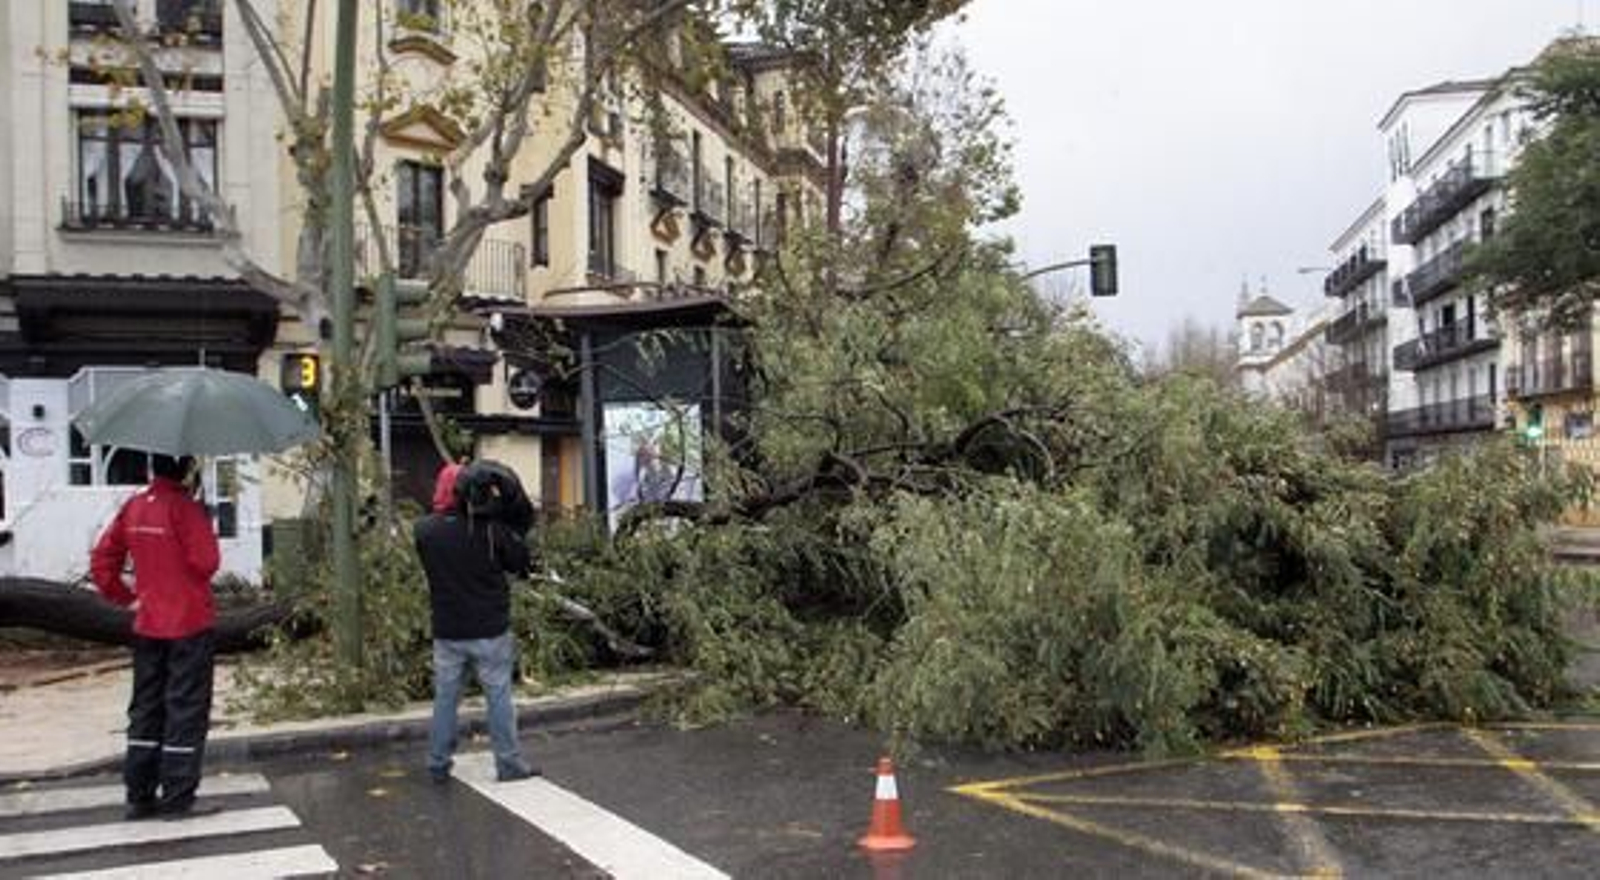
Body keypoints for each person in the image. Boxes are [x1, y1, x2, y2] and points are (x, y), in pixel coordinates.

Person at [89, 453, 221, 821]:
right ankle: (178, 796)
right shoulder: (186, 510)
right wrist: (201, 519)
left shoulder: (133, 507)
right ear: (187, 472)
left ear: (152, 468)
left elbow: (102, 562)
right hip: (189, 624)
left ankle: (139, 793)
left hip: (147, 624)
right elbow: (206, 563)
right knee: (185, 706)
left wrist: (125, 597)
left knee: (146, 706)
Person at [413, 461, 538, 783]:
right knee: (498, 697)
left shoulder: (425, 531)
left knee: (445, 699)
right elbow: (520, 562)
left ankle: (437, 762)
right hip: (490, 629)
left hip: (448, 630)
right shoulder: (492, 531)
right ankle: (508, 763)